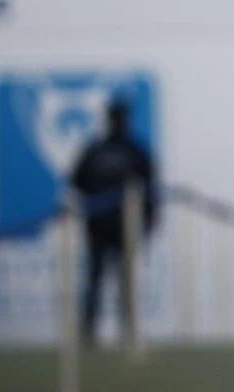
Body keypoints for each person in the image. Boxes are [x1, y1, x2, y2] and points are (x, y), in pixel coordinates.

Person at [71, 99, 157, 346]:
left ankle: (122, 331)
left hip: (116, 228)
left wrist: (148, 219)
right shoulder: (123, 150)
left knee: (119, 281)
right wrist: (149, 219)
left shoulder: (106, 150)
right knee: (100, 280)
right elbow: (77, 181)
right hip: (105, 227)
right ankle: (93, 332)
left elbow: (150, 189)